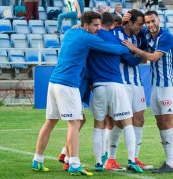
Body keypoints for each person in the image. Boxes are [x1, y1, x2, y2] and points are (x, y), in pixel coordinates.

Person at [31, 11, 131, 176]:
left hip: (54, 82)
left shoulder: (72, 31)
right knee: (75, 122)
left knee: (51, 122)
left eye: (99, 25)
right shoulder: (87, 37)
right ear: (86, 25)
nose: (98, 29)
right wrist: (128, 48)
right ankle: (74, 163)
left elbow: (75, 31)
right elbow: (112, 49)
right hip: (67, 84)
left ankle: (38, 160)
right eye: (95, 25)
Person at [122, 10, 173, 173]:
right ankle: (169, 162)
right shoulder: (146, 34)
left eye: (152, 21)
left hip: (169, 86)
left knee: (168, 122)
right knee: (159, 123)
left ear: (159, 20)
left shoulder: (166, 37)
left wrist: (134, 48)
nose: (150, 25)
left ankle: (170, 163)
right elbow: (130, 27)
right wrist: (123, 19)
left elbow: (154, 57)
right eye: (147, 22)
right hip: (156, 85)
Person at [88, 11, 145, 173]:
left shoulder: (89, 38)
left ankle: (99, 162)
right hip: (116, 85)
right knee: (128, 123)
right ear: (112, 24)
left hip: (98, 86)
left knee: (99, 125)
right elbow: (130, 60)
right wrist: (139, 57)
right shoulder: (117, 40)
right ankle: (131, 160)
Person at [105, 9, 153, 171]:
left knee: (139, 118)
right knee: (118, 121)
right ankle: (110, 159)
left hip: (136, 82)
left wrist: (137, 52)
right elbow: (131, 61)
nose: (142, 27)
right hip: (121, 83)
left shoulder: (138, 36)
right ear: (130, 22)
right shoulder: (115, 34)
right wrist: (140, 56)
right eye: (139, 24)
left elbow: (145, 52)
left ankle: (135, 158)